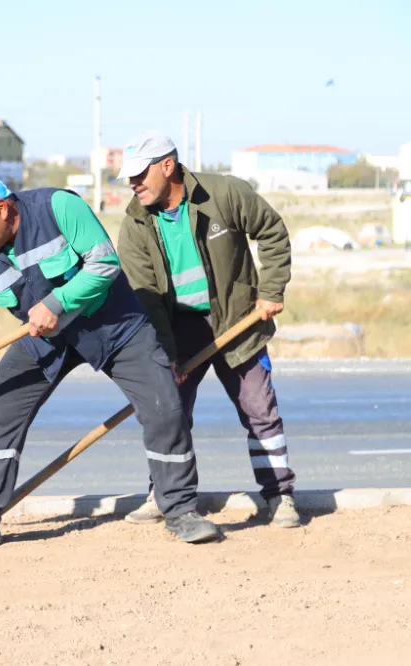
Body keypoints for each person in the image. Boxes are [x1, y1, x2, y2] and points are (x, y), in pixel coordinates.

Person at [0, 174, 222, 555]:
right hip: (47, 339)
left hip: (115, 326)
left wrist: (58, 303)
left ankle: (180, 510)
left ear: (2, 206)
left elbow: (105, 263)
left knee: (165, 408)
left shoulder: (58, 207)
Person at [114, 132, 300, 528]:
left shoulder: (224, 193)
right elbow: (144, 298)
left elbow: (271, 231)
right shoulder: (135, 223)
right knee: (168, 415)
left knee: (259, 410)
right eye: (128, 177)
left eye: (139, 174)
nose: (133, 184)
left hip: (237, 322)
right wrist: (165, 356)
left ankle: (279, 496)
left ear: (168, 166)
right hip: (178, 329)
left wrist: (270, 291)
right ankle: (163, 495)